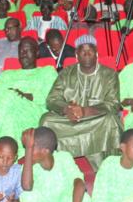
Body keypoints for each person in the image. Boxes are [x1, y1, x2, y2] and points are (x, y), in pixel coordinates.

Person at [0, 38, 58, 161]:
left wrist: (26, 96)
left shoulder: (47, 71)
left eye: (28, 50)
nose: (24, 53)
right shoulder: (7, 74)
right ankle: (9, 163)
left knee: (10, 95)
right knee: (9, 117)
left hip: (36, 113)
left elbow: (53, 98)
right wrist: (15, 98)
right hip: (8, 113)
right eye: (21, 50)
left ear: (36, 53)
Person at [40, 35, 122, 170]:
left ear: (97, 53)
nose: (87, 55)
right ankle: (54, 168)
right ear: (76, 54)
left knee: (111, 120)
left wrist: (85, 111)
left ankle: (107, 170)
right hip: (69, 120)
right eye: (83, 52)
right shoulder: (66, 72)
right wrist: (67, 109)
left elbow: (113, 104)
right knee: (46, 120)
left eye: (90, 51)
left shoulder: (109, 74)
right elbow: (51, 100)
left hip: (96, 121)